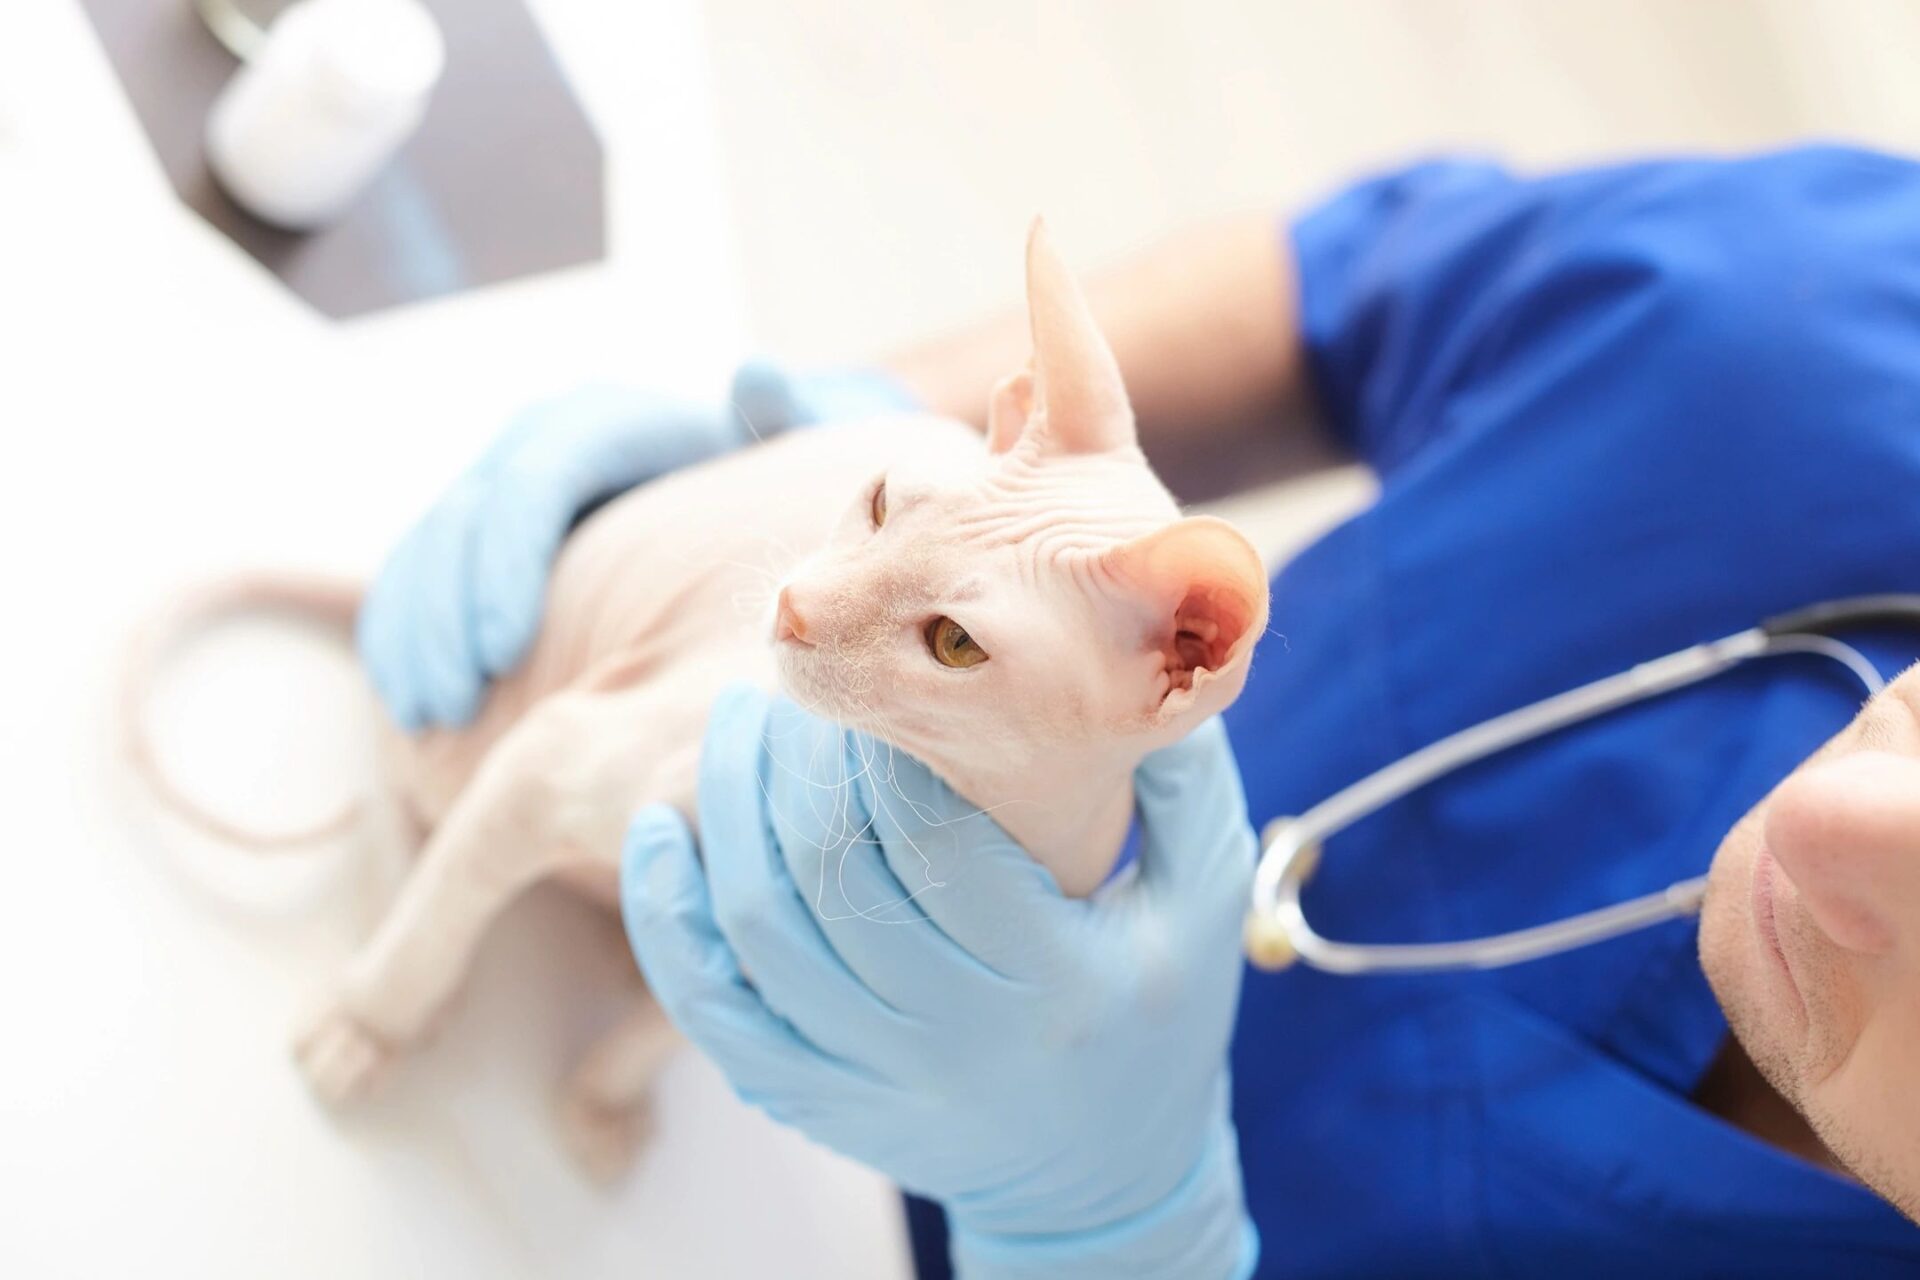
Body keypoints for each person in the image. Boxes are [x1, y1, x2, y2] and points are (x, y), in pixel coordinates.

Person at [357, 146, 1920, 1276]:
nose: (1837, 805)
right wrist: (876, 453)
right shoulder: (1859, 298)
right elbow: (1360, 293)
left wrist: (1106, 1238)